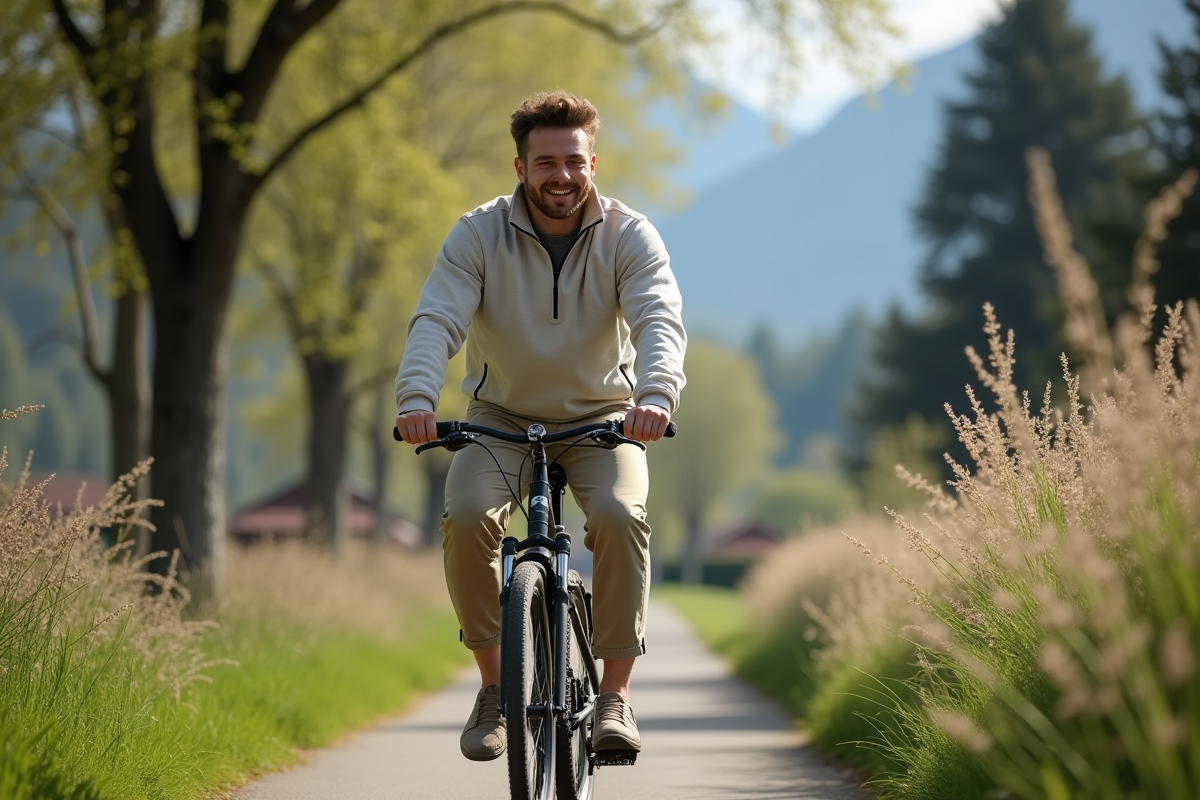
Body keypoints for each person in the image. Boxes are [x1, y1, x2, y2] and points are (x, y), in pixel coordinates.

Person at [394, 90, 686, 763]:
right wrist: (416, 399)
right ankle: (495, 689)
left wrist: (656, 396)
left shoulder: (629, 234)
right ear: (520, 167)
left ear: (593, 164)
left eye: (574, 161)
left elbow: (658, 318)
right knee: (467, 517)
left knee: (619, 516)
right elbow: (438, 318)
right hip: (500, 418)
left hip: (603, 419)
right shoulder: (478, 234)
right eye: (546, 162)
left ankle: (615, 697)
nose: (562, 175)